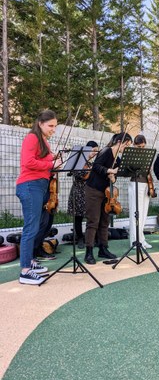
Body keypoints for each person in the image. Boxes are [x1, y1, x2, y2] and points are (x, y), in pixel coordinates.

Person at [16, 110, 62, 285]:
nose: (53, 129)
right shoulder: (32, 138)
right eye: (50, 125)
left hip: (38, 186)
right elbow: (28, 162)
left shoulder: (42, 141)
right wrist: (51, 163)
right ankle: (25, 271)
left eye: (55, 126)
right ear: (40, 123)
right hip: (30, 185)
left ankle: (30, 263)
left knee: (35, 227)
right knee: (31, 227)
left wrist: (54, 159)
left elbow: (43, 163)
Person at [84, 132, 132, 264]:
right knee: (93, 221)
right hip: (93, 189)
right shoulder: (106, 151)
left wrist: (113, 176)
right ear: (119, 142)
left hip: (106, 192)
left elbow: (116, 174)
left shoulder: (118, 159)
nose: (126, 149)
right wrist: (110, 171)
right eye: (126, 145)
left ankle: (103, 249)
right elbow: (97, 166)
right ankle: (88, 253)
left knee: (105, 221)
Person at [67, 141, 99, 249]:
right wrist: (93, 169)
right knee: (78, 217)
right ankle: (80, 238)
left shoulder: (91, 164)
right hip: (78, 192)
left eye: (96, 151)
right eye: (93, 150)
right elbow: (84, 176)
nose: (95, 153)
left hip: (89, 192)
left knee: (90, 216)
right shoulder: (78, 163)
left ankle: (89, 238)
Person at [128, 134, 152, 249]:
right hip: (135, 184)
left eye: (143, 147)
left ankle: (141, 239)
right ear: (134, 145)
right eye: (139, 147)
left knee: (143, 214)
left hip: (146, 184)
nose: (142, 149)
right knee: (135, 213)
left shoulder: (147, 155)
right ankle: (134, 241)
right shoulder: (130, 155)